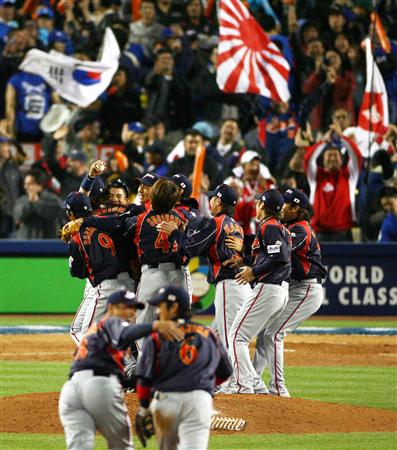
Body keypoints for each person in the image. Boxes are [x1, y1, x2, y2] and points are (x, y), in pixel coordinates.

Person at [59, 289, 183, 450]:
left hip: (71, 391)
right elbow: (125, 333)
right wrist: (155, 325)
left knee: (79, 445)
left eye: (133, 308)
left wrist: (139, 381)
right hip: (99, 386)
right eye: (125, 307)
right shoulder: (113, 322)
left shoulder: (97, 332)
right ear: (111, 308)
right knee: (122, 446)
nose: (130, 312)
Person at [135, 285, 233, 450]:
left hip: (166, 401)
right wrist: (203, 385)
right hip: (199, 401)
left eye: (161, 306)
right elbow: (225, 372)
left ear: (174, 307)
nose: (158, 311)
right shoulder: (208, 334)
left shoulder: (157, 336)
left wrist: (144, 408)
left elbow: (144, 378)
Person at [252, 188, 327, 397]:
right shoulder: (288, 228)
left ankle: (278, 389)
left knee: (274, 332)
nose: (281, 207)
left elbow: (276, 252)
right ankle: (252, 380)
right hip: (295, 287)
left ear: (296, 208)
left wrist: (246, 248)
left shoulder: (299, 230)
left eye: (285, 203)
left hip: (306, 290)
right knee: (263, 332)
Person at [158, 184, 249, 351]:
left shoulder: (217, 222)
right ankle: (216, 374)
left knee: (231, 341)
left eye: (213, 198)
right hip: (240, 285)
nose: (210, 201)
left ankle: (242, 378)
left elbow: (192, 247)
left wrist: (175, 233)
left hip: (229, 286)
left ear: (219, 202)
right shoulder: (236, 225)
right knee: (215, 337)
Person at [223, 189, 291, 394]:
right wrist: (247, 259)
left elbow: (279, 257)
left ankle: (244, 385)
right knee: (257, 337)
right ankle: (257, 386)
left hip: (270, 287)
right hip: (279, 290)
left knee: (236, 337)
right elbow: (271, 255)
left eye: (258, 203)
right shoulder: (278, 227)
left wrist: (254, 271)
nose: (256, 205)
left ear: (262, 205)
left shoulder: (270, 226)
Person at [64, 192, 129, 345]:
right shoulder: (107, 224)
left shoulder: (76, 238)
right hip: (128, 281)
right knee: (117, 332)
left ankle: (114, 365)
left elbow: (77, 273)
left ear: (70, 214)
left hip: (105, 286)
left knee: (86, 335)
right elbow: (120, 222)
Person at [304, 126, 363, 241]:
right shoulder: (316, 176)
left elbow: (357, 156)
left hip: (344, 230)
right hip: (319, 231)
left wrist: (342, 137)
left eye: (335, 155)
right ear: (323, 159)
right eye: (329, 155)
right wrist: (323, 142)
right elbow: (308, 159)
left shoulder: (350, 175)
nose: (332, 158)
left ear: (341, 160)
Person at [13, 168, 61, 239]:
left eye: (30, 184)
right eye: (25, 184)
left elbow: (55, 215)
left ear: (40, 185)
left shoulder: (52, 199)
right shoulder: (22, 200)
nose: (26, 187)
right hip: (25, 244)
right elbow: (18, 217)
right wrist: (29, 203)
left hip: (48, 244)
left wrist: (37, 202)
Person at [0, 136, 22, 237]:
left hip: (11, 218)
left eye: (8, 145)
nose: (8, 148)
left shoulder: (13, 169)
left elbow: (20, 193)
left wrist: (19, 214)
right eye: (4, 145)